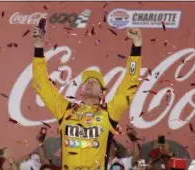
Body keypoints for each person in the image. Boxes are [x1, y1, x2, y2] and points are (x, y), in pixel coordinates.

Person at [32, 25, 142, 170]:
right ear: (81, 90)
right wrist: (38, 47)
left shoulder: (109, 113)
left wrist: (136, 47)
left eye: (94, 82)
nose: (89, 82)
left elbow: (129, 84)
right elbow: (42, 85)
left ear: (102, 93)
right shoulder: (65, 110)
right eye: (87, 81)